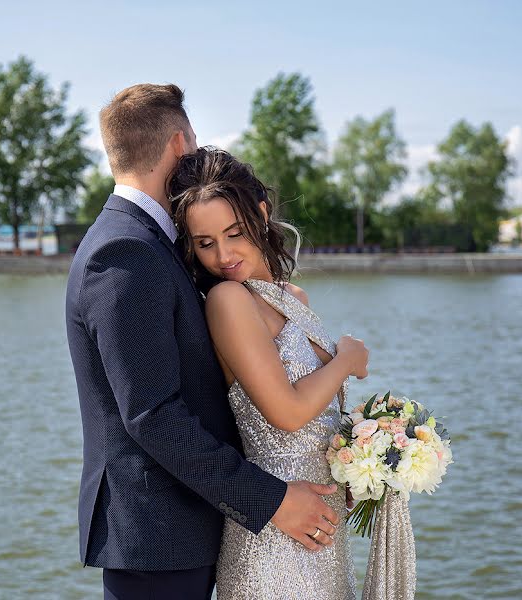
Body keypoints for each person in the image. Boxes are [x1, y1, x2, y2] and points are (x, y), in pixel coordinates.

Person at [65, 84, 360, 600]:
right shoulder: (123, 250)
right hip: (159, 538)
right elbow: (152, 415)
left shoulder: (157, 244)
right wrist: (270, 500)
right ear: (180, 145)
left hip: (198, 526)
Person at [167, 146, 370, 599]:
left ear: (260, 214)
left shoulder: (292, 296)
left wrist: (353, 459)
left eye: (234, 232)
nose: (223, 255)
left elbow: (315, 418)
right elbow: (288, 411)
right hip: (277, 528)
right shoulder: (227, 301)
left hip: (323, 517)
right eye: (205, 243)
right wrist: (346, 360)